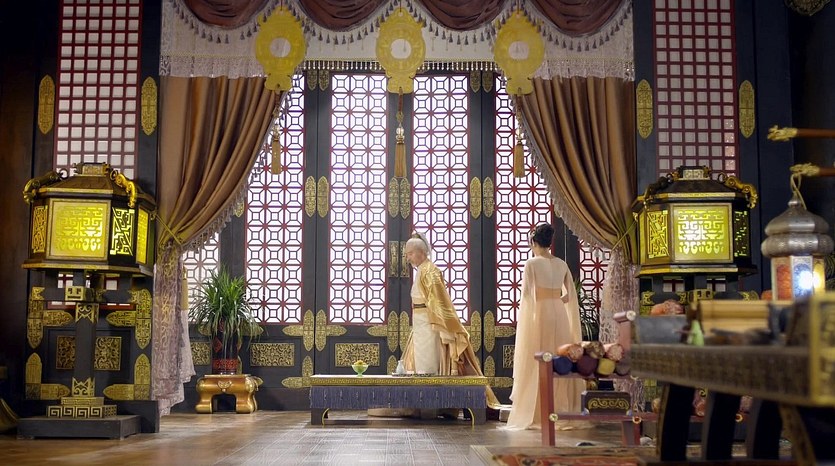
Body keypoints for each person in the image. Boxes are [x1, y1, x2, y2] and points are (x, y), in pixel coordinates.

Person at [401, 232, 500, 410]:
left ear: (421, 252)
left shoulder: (430, 271)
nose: (407, 258)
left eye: (410, 253)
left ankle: (433, 404)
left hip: (430, 323)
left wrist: (444, 324)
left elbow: (440, 301)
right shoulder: (422, 270)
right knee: (420, 360)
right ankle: (422, 403)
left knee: (429, 360)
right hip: (420, 322)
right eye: (406, 254)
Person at [505, 223, 586, 430]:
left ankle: (539, 412)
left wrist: (528, 322)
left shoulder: (531, 264)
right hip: (559, 313)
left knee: (540, 360)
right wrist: (557, 300)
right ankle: (561, 408)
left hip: (540, 314)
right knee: (559, 359)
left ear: (534, 242)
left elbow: (526, 297)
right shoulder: (561, 264)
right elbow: (570, 295)